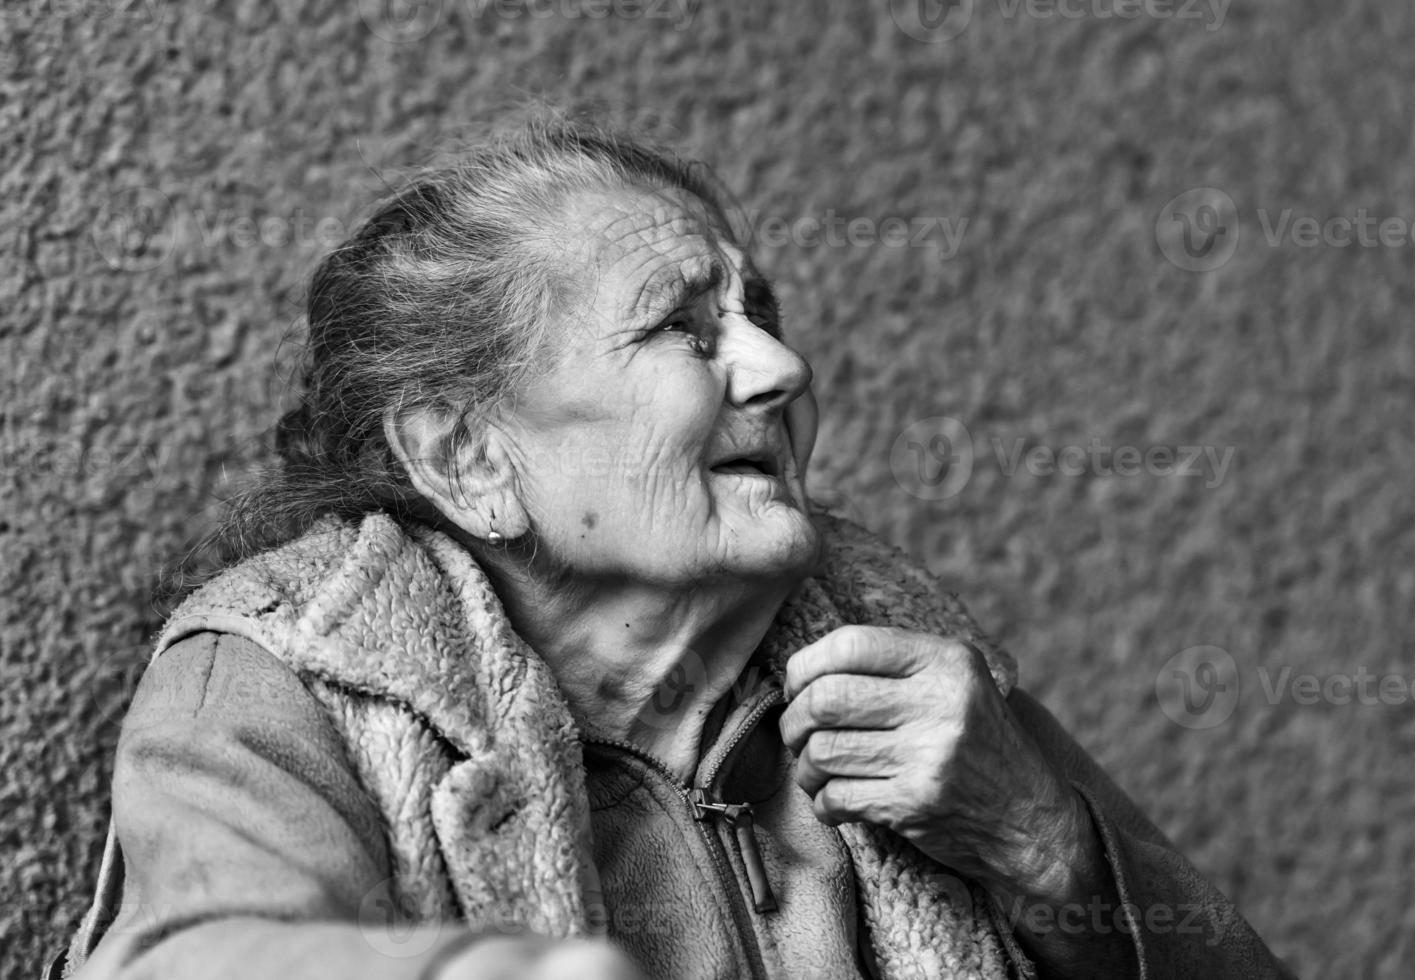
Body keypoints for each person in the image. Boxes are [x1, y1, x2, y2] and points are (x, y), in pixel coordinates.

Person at [55, 119, 1294, 980]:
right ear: (467, 458)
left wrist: (1041, 842)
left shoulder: (880, 628)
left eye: (761, 313)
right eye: (683, 329)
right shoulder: (294, 668)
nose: (780, 367)